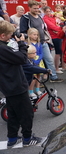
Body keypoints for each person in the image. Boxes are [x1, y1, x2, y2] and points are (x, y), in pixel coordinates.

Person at [0, 20, 42, 148]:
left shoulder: (3, 46)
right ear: (2, 35)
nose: (12, 36)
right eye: (10, 34)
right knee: (27, 113)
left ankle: (12, 138)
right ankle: (27, 138)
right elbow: (22, 59)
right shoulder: (2, 48)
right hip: (16, 85)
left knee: (13, 113)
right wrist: (21, 44)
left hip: (7, 85)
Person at [20, 0, 63, 82]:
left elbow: (43, 29)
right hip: (33, 44)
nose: (36, 10)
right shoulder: (26, 17)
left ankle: (53, 77)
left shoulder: (39, 16)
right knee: (35, 62)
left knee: (49, 59)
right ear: (29, 8)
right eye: (34, 8)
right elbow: (22, 31)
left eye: (37, 8)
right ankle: (35, 81)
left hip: (43, 42)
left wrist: (46, 39)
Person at [43, 6, 64, 73]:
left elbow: (59, 22)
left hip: (58, 35)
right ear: (44, 12)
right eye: (47, 11)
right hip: (53, 37)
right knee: (57, 52)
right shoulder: (45, 19)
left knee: (59, 52)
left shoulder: (53, 16)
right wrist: (61, 29)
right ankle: (56, 68)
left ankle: (57, 67)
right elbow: (53, 26)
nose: (48, 13)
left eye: (49, 11)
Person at [26, 28, 44, 97]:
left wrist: (38, 59)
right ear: (29, 35)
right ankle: (30, 91)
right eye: (34, 35)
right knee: (33, 76)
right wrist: (34, 61)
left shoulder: (39, 43)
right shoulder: (27, 44)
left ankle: (37, 89)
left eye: (37, 35)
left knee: (38, 76)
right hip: (32, 61)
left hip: (39, 61)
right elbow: (28, 54)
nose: (36, 36)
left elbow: (41, 53)